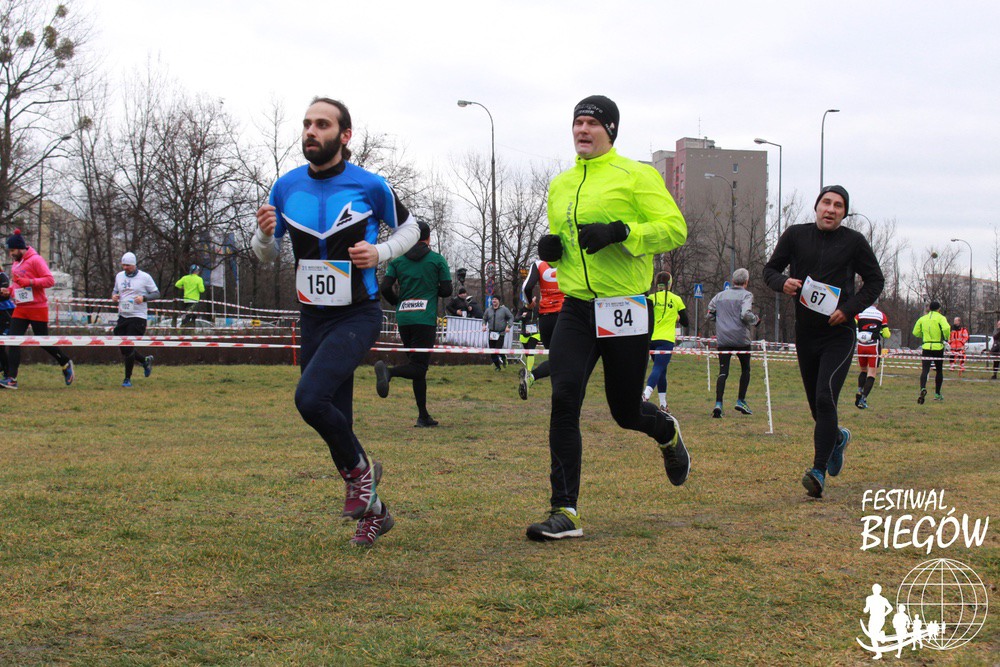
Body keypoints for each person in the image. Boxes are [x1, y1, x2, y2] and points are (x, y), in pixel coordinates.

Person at [252, 97, 419, 546]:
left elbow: (412, 228)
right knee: (335, 422)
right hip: (313, 317)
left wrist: (381, 252)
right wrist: (264, 235)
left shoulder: (370, 185)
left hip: (357, 314)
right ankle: (376, 512)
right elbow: (265, 254)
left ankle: (362, 476)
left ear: (344, 136)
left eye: (322, 124)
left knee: (309, 399)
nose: (311, 131)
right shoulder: (285, 187)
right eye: (307, 123)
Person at [526, 95, 689, 541]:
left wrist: (622, 232)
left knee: (625, 411)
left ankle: (666, 431)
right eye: (577, 122)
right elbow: (564, 241)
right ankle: (565, 510)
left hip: (624, 307)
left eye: (592, 123)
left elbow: (674, 228)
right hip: (577, 306)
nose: (582, 130)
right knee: (564, 398)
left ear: (611, 131)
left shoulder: (636, 175)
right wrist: (552, 249)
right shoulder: (561, 184)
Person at [763, 185, 884, 499]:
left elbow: (875, 281)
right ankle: (838, 438)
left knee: (825, 397)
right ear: (817, 207)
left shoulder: (854, 242)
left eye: (838, 205)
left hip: (838, 335)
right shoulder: (795, 235)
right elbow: (769, 270)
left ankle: (817, 472)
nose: (831, 209)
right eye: (826, 203)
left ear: (844, 213)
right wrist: (782, 282)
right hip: (806, 334)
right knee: (817, 407)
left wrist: (849, 309)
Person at [374, 220, 452, 427]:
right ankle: (388, 372)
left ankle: (423, 416)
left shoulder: (397, 261)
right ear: (428, 238)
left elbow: (385, 287)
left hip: (404, 318)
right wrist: (431, 288)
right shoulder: (437, 260)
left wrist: (397, 302)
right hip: (424, 319)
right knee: (418, 367)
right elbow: (447, 291)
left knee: (416, 366)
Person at [0, 229, 75, 389]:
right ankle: (12, 379)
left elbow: (49, 280)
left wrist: (30, 282)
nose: (11, 254)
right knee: (13, 340)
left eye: (13, 251)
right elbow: (17, 285)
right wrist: (9, 291)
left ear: (20, 248)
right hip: (21, 308)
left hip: (37, 307)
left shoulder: (36, 260)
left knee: (43, 341)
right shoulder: (16, 263)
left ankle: (65, 361)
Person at [707, 268, 758, 418]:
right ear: (746, 282)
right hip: (741, 339)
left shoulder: (720, 296)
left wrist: (721, 320)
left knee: (723, 372)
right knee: (745, 369)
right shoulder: (746, 295)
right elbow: (745, 314)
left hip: (723, 339)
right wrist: (755, 320)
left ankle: (718, 404)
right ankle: (741, 400)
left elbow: (709, 313)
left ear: (733, 280)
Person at [518, 258, 565, 400]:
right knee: (563, 360)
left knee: (556, 359)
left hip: (545, 319)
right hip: (563, 315)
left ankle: (555, 391)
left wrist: (529, 303)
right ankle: (532, 377)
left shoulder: (538, 264)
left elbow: (526, 288)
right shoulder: (568, 260)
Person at [642, 270, 688, 413]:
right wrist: (677, 317)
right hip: (666, 340)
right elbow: (686, 322)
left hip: (652, 339)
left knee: (662, 370)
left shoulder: (650, 298)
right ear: (670, 284)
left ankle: (663, 404)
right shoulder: (676, 299)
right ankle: (646, 394)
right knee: (658, 368)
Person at [112, 252, 160, 387]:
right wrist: (114, 296)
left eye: (128, 265)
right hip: (123, 316)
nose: (125, 268)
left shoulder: (145, 277)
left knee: (128, 347)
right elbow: (115, 291)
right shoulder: (119, 276)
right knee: (123, 347)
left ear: (134, 265)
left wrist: (144, 298)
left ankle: (127, 379)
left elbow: (156, 293)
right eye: (123, 265)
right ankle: (145, 361)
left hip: (138, 317)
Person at [912, 301, 950, 403]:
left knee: (925, 370)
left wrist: (923, 336)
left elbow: (915, 332)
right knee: (939, 370)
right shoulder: (941, 318)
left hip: (926, 346)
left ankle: (923, 388)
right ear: (939, 309)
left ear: (929, 309)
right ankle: (937, 393)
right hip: (938, 346)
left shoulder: (922, 318)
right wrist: (946, 337)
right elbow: (946, 328)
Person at [854, 303, 890, 409]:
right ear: (877, 304)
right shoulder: (881, 315)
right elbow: (887, 334)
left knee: (863, 370)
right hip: (873, 345)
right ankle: (863, 398)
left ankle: (859, 390)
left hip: (861, 344)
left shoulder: (859, 313)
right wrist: (880, 331)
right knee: (872, 373)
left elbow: (852, 324)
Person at [482, 296, 513, 370]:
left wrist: (508, 326)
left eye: (495, 299)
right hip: (492, 333)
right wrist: (484, 325)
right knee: (492, 352)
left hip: (500, 333)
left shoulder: (504, 310)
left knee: (497, 349)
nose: (494, 300)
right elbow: (484, 319)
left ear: (499, 301)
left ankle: (503, 357)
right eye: (493, 299)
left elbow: (511, 317)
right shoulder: (488, 310)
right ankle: (498, 366)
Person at [0, 262, 14, 377]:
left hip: (6, 313)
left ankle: (7, 373)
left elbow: (4, 294)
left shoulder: (2, 276)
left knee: (1, 345)